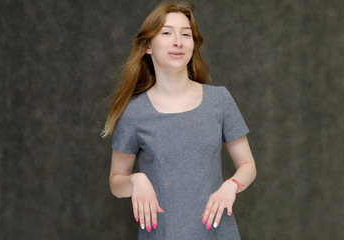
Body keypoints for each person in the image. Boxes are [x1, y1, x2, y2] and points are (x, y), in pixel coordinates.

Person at [103, 1, 256, 239]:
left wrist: (231, 186)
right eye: (166, 33)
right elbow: (116, 183)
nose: (178, 41)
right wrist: (136, 180)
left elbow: (247, 165)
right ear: (147, 46)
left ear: (193, 45)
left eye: (185, 34)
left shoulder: (220, 100)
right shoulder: (134, 113)